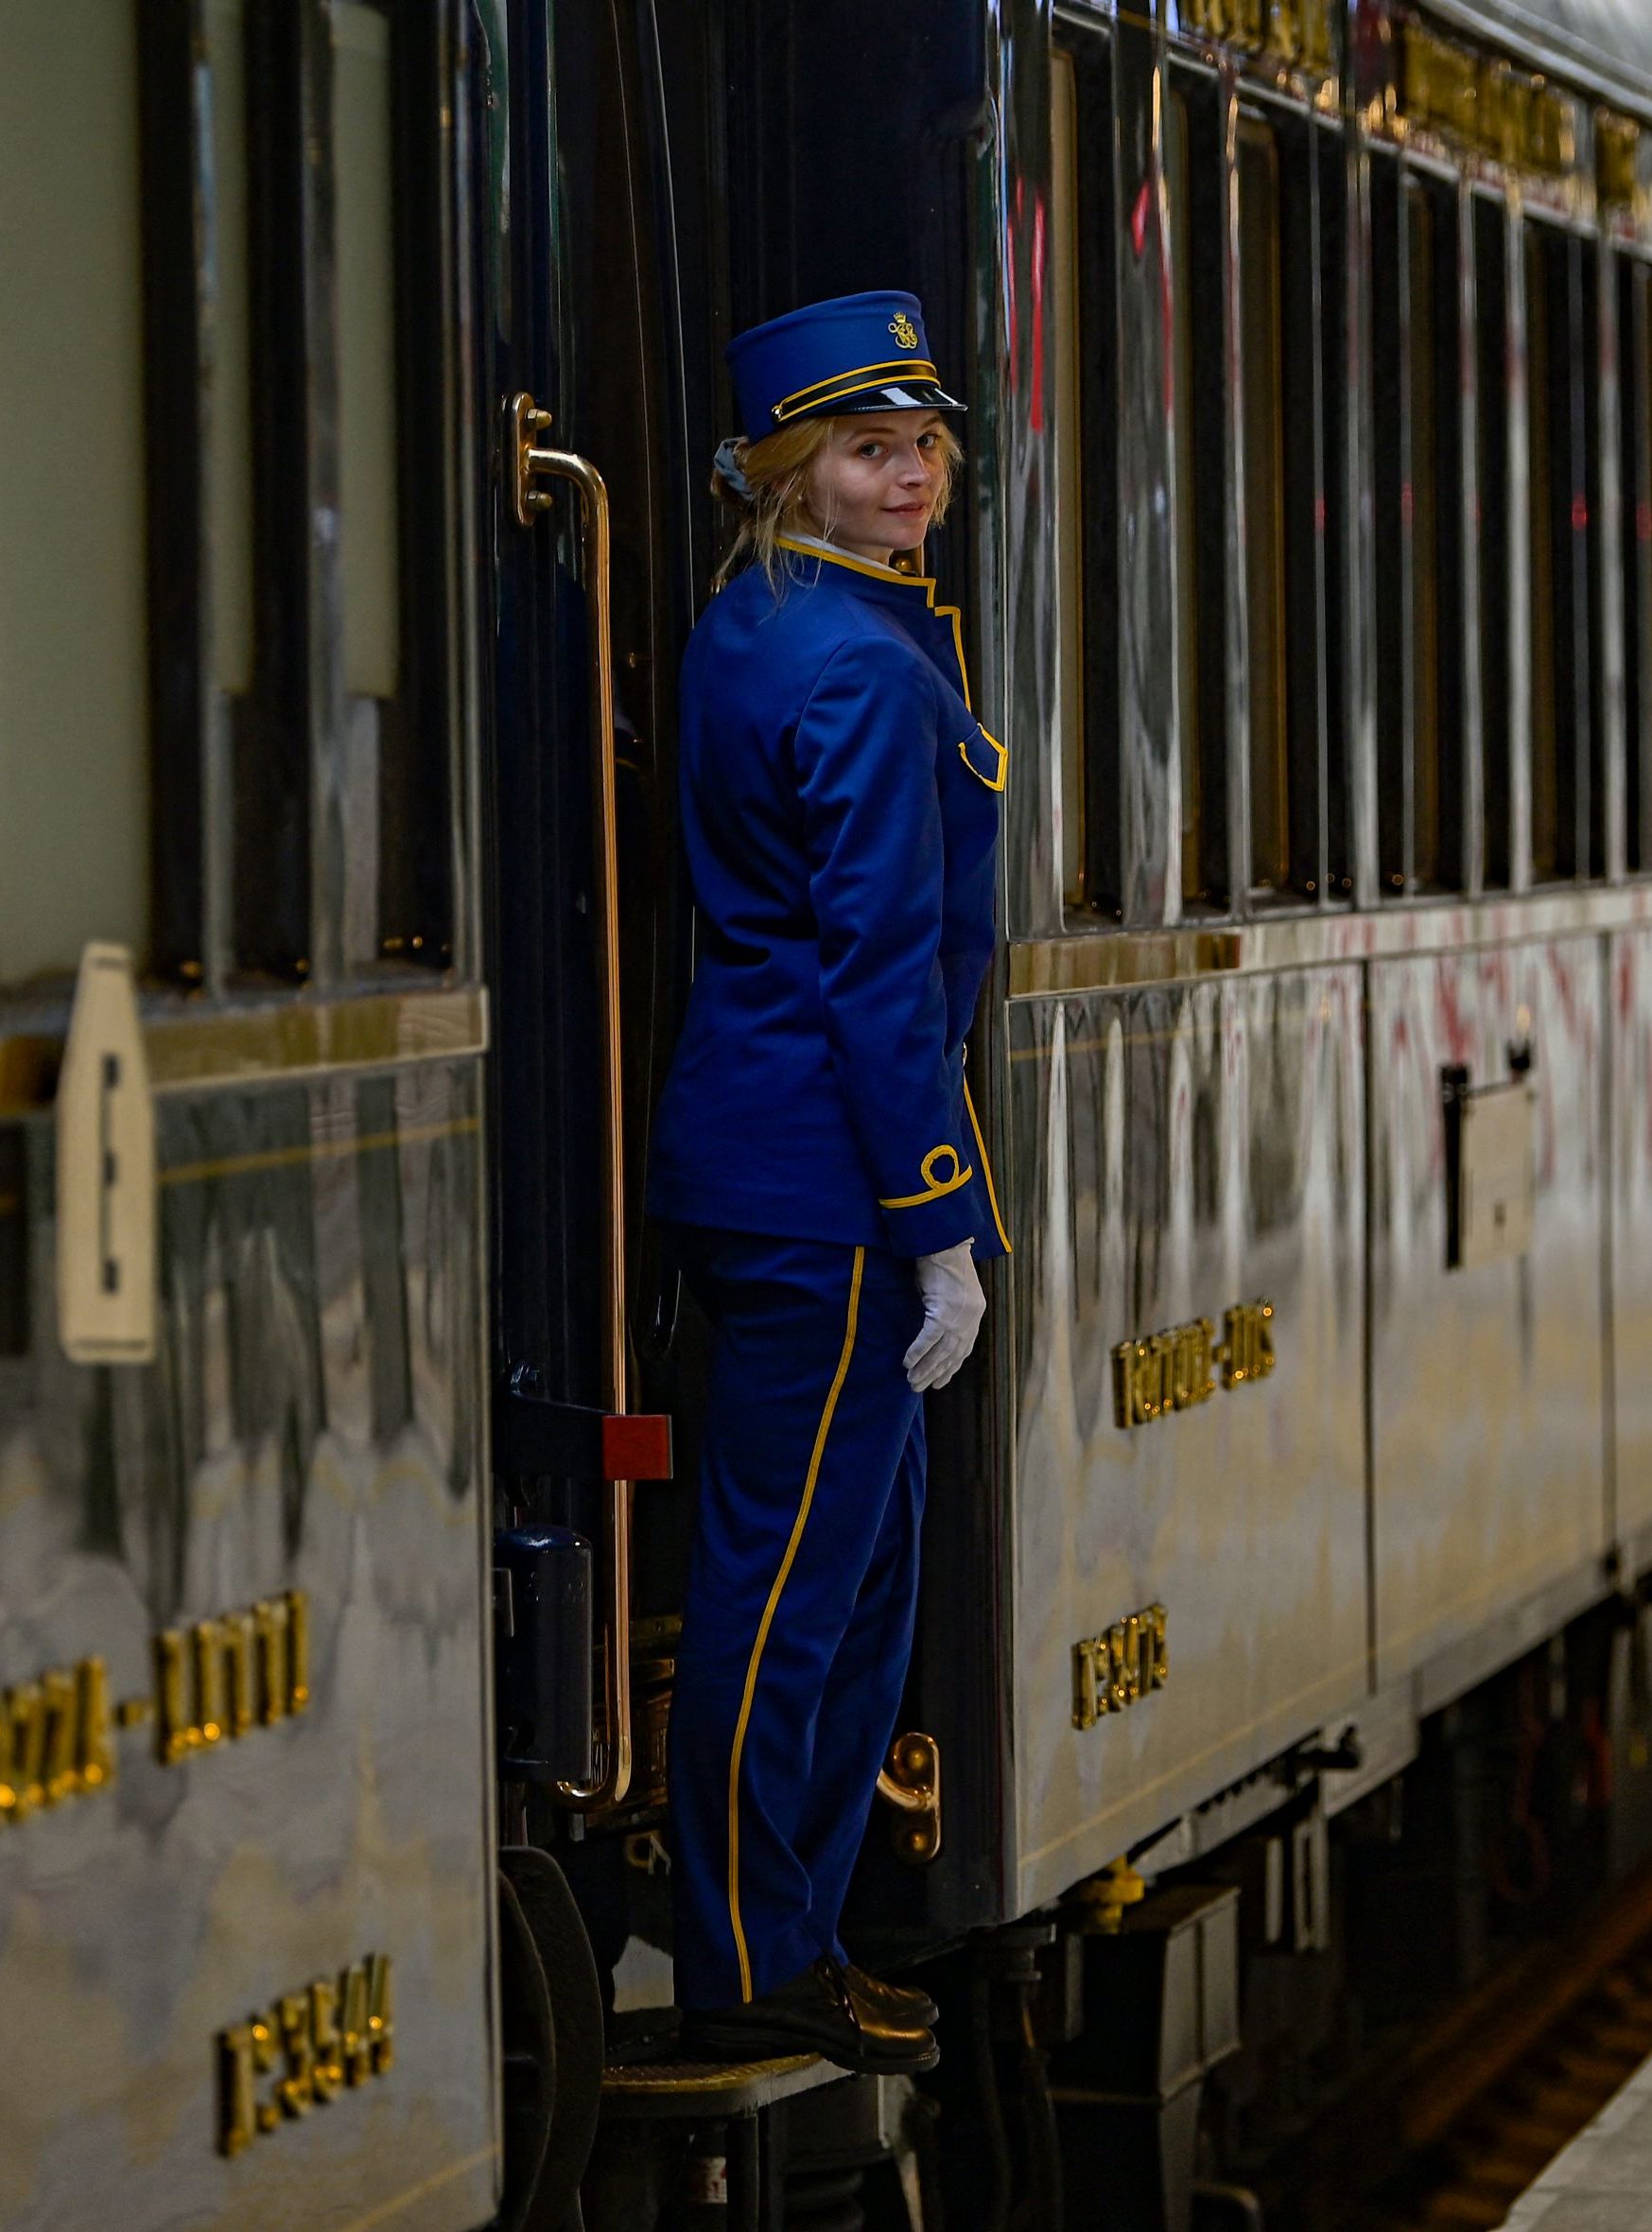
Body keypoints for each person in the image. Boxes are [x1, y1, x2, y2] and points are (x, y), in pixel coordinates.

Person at [646, 290, 1009, 2074]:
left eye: (924, 444)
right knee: (798, 1592)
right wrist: (937, 1217)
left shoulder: (757, 627)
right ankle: (749, 1955)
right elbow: (881, 972)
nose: (911, 476)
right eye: (869, 452)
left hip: (768, 1156)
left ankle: (789, 1932)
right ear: (791, 475)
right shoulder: (862, 666)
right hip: (829, 1184)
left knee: (839, 1580)